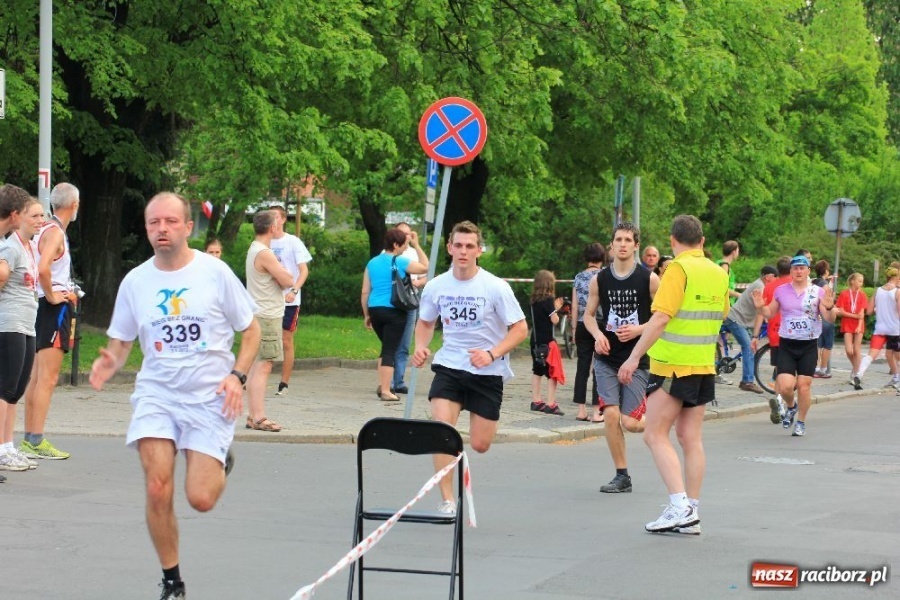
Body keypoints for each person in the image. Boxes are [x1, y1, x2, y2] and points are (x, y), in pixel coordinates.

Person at [88, 192, 261, 599]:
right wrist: (110, 360)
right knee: (157, 486)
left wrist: (236, 376)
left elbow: (251, 330)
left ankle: (220, 462)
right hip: (158, 394)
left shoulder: (214, 272)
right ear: (147, 229)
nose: (161, 229)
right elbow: (122, 340)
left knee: (200, 498)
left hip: (209, 397)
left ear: (187, 226)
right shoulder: (136, 281)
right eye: (154, 223)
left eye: (169, 221)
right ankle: (172, 581)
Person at [618, 215, 728, 535]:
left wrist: (633, 357)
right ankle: (691, 510)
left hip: (672, 365)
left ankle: (679, 507)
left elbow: (661, 318)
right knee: (690, 438)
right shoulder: (718, 273)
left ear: (673, 241)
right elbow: (721, 314)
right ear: (702, 241)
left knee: (654, 434)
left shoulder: (677, 269)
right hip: (704, 363)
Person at [412, 220, 527, 515]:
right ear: (450, 248)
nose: (463, 251)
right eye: (459, 246)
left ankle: (457, 453)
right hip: (449, 366)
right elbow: (425, 322)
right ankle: (448, 500)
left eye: (470, 246)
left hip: (487, 371)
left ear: (479, 250)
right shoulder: (436, 286)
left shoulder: (495, 287)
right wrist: (421, 346)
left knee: (480, 444)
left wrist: (491, 353)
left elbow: (520, 329)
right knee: (441, 431)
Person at [583, 221, 660, 494]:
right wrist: (597, 335)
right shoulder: (600, 279)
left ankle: (659, 421)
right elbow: (588, 316)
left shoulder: (649, 279)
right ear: (612, 245)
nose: (623, 244)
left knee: (630, 422)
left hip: (637, 357)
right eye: (619, 239)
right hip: (606, 357)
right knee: (611, 414)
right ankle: (622, 475)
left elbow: (662, 319)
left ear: (636, 245)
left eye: (628, 240)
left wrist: (638, 330)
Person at [20, 182, 80, 460]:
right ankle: (36, 439)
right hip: (53, 308)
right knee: (48, 377)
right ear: (74, 205)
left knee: (36, 377)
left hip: (39, 306)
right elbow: (44, 268)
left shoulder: (43, 228)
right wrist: (54, 295)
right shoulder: (55, 232)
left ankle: (30, 438)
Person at [752, 255, 836, 437]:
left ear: (808, 271)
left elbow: (829, 319)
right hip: (787, 344)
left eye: (802, 268)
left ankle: (800, 422)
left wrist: (830, 308)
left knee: (804, 386)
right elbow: (770, 312)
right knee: (785, 387)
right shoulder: (781, 291)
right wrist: (760, 307)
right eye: (795, 268)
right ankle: (791, 406)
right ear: (790, 271)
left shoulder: (817, 292)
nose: (798, 271)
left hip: (808, 344)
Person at [0, 198, 44, 474]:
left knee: (15, 391)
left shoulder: (29, 247)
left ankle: (7, 447)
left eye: (42, 216)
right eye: (35, 216)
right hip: (10, 324)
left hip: (27, 325)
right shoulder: (10, 247)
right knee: (4, 388)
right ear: (20, 218)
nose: (41, 220)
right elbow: (2, 272)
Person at [361, 227, 428, 401]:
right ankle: (386, 390)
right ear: (396, 245)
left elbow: (365, 291)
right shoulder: (401, 261)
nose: (406, 247)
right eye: (405, 244)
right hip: (395, 310)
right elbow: (425, 267)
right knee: (390, 350)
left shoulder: (372, 263)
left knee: (386, 348)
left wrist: (366, 314)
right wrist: (417, 245)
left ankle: (382, 384)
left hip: (375, 309)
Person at [244, 210, 296, 432]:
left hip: (259, 313)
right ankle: (258, 417)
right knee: (264, 366)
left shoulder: (255, 248)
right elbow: (288, 280)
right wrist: (282, 274)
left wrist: (280, 275)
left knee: (257, 365)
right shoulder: (265, 253)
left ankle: (252, 415)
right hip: (267, 314)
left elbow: (282, 278)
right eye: (277, 224)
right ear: (272, 228)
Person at [267, 205, 313, 397]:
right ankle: (255, 378)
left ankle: (284, 383)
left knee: (286, 340)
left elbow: (304, 270)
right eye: (269, 216)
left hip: (289, 300)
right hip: (269, 299)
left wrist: (294, 290)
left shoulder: (292, 242)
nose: (273, 220)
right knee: (263, 338)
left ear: (284, 219)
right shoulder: (264, 241)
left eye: (276, 216)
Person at [390, 222, 428, 395]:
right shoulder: (387, 253)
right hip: (393, 301)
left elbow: (425, 274)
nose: (405, 237)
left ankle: (398, 381)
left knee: (404, 343)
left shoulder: (413, 253)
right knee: (391, 342)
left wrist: (417, 282)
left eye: (407, 234)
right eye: (401, 233)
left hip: (410, 301)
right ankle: (389, 381)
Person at [719, 259, 767, 394]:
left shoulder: (761, 285)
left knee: (749, 346)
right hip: (735, 319)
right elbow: (761, 309)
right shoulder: (760, 287)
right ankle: (747, 382)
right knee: (748, 346)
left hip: (739, 319)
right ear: (768, 277)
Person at [570, 243, 605, 422]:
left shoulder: (578, 277)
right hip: (600, 325)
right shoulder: (605, 275)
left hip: (582, 324)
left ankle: (581, 410)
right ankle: (597, 411)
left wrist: (574, 328)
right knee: (600, 366)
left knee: (582, 367)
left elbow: (575, 306)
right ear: (602, 257)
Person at [756, 256, 793, 420]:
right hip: (794, 334)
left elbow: (761, 311)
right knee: (793, 374)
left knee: (780, 371)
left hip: (775, 334)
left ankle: (779, 401)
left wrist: (755, 335)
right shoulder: (797, 284)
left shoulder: (770, 286)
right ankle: (785, 402)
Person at [853, 267, 899, 389]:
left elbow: (868, 311)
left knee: (872, 354)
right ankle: (897, 379)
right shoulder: (897, 292)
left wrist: (880, 309)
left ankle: (859, 374)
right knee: (895, 355)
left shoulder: (877, 291)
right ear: (896, 277)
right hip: (895, 329)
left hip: (880, 328)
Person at [529, 270, 566, 416]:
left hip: (535, 340)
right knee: (552, 373)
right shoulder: (549, 300)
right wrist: (556, 309)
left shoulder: (533, 301)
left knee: (537, 370)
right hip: (547, 341)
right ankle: (551, 403)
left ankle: (536, 400)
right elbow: (554, 320)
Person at [835, 272, 867, 390]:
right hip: (847, 323)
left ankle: (856, 375)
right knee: (849, 350)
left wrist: (859, 325)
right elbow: (841, 311)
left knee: (857, 350)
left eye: (862, 281)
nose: (861, 283)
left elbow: (861, 313)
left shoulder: (862, 295)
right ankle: (857, 370)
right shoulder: (844, 294)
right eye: (859, 281)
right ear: (852, 281)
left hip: (858, 324)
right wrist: (855, 316)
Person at [812, 260, 835, 378]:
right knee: (827, 344)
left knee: (818, 344)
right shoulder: (825, 285)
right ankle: (823, 369)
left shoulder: (813, 282)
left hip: (815, 315)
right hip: (825, 314)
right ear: (826, 270)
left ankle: (815, 367)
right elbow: (827, 300)